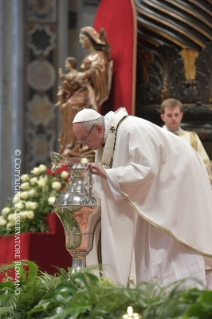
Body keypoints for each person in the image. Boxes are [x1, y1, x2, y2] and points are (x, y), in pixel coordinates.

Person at [72, 107, 212, 288]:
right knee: (151, 241)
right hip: (161, 188)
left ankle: (183, 294)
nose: (84, 145)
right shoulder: (112, 135)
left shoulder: (130, 129)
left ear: (99, 129)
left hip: (179, 184)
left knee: (171, 242)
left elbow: (146, 169)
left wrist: (109, 174)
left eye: (84, 138)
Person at [57, 26, 112, 159]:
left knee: (71, 106)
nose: (81, 42)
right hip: (82, 90)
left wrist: (84, 75)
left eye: (82, 39)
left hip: (89, 92)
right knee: (65, 106)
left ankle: (76, 146)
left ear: (90, 39)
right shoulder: (89, 56)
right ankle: (70, 145)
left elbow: (98, 72)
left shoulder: (99, 56)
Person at [160, 98, 212, 184]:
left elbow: (204, 164)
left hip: (189, 185)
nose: (173, 118)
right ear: (162, 117)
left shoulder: (192, 138)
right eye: (169, 115)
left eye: (176, 115)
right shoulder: (157, 137)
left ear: (181, 115)